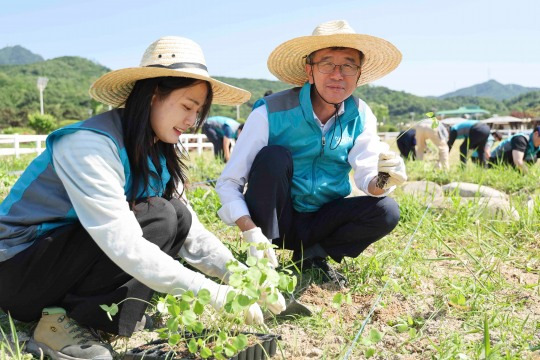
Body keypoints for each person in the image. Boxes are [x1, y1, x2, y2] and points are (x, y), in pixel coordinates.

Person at [0, 36, 285, 360]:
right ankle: (61, 326)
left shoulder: (158, 150)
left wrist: (242, 277)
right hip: (16, 269)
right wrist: (215, 294)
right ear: (153, 95)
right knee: (161, 215)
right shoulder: (88, 145)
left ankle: (85, 314)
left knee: (174, 215)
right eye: (187, 107)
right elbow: (124, 244)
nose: (193, 122)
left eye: (199, 112)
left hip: (62, 259)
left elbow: (191, 234)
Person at [215, 20, 406, 284]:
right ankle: (263, 254)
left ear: (359, 74)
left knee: (387, 210)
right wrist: (250, 232)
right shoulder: (270, 112)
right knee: (275, 156)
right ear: (310, 70)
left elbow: (366, 175)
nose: (338, 74)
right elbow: (229, 182)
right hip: (276, 218)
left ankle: (313, 255)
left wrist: (383, 179)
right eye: (327, 63)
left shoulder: (360, 114)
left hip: (324, 219)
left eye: (348, 65)